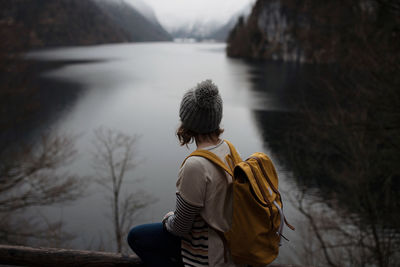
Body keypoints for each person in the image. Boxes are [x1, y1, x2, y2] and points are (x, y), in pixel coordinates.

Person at [127, 79, 241, 267]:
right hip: (230, 240)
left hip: (210, 253)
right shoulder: (228, 148)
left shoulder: (196, 165)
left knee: (136, 237)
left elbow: (180, 227)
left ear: (188, 120)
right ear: (216, 118)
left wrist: (167, 219)